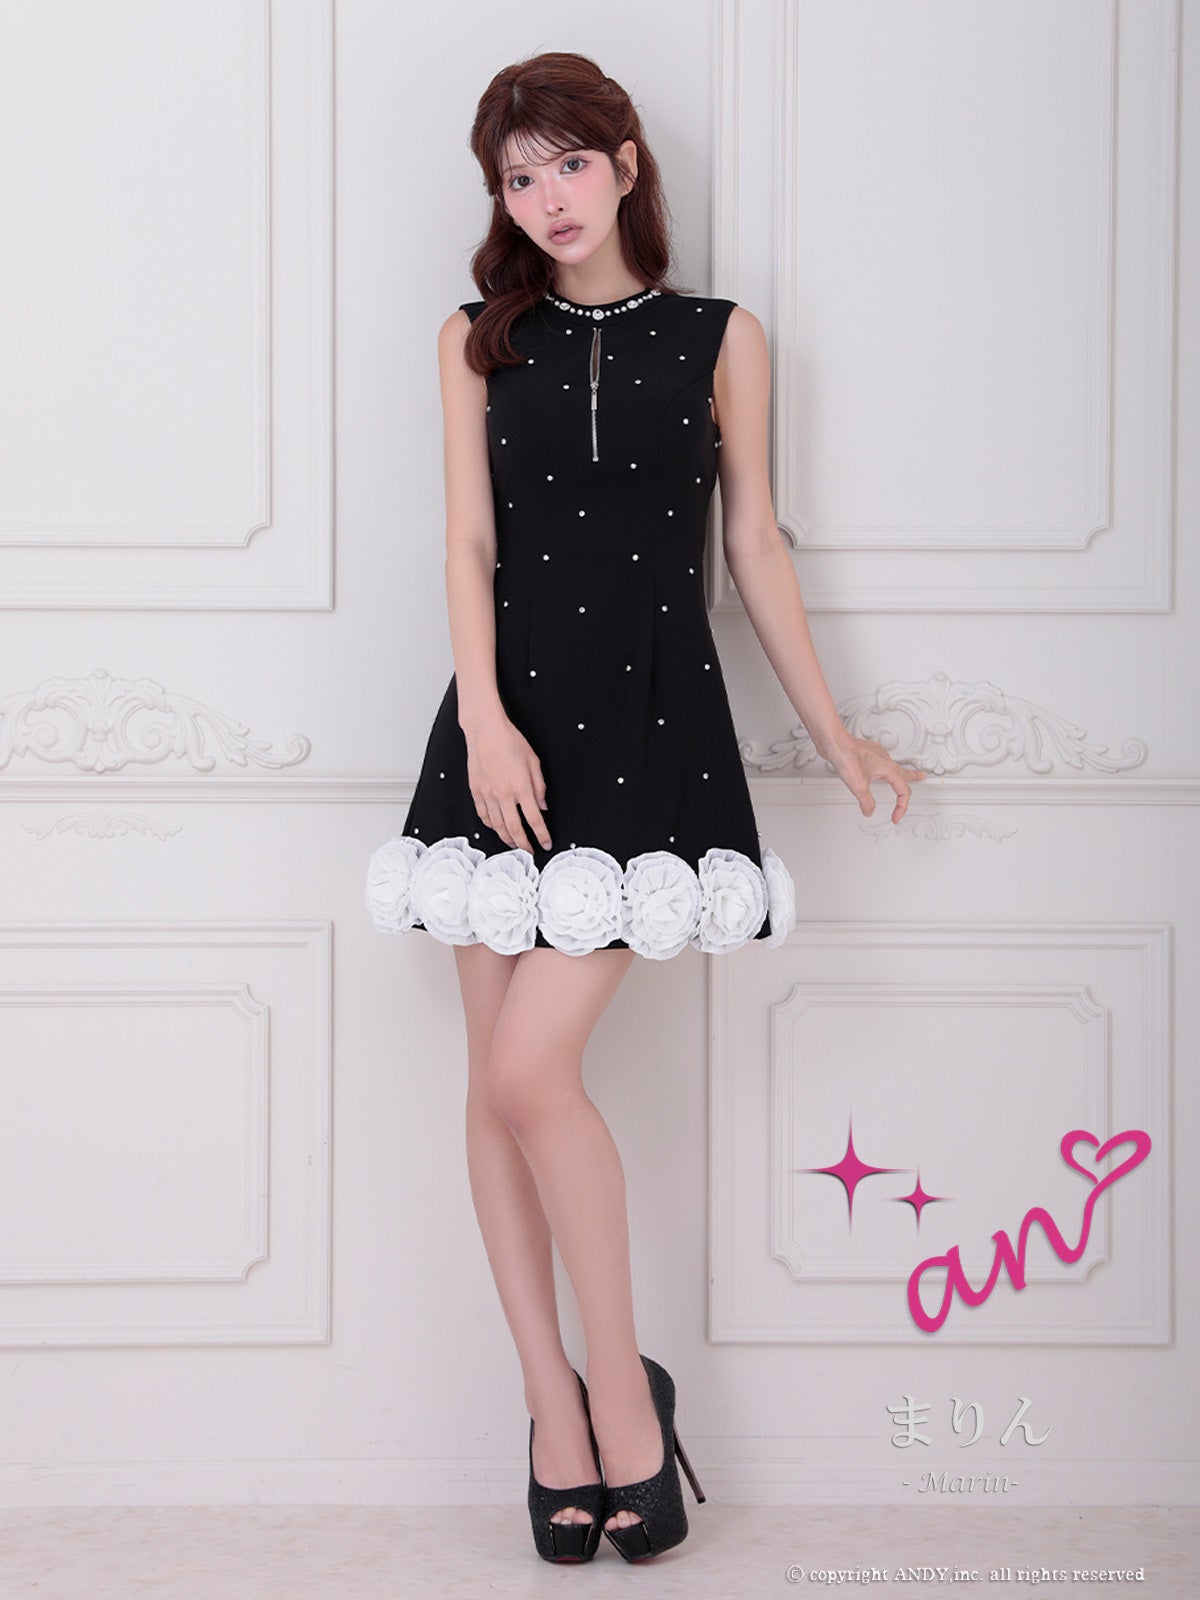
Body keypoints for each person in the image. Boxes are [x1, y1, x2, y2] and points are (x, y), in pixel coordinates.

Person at [366, 51, 925, 1564]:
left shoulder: (723, 337)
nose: (546, 198)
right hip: (505, 736)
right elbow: (465, 544)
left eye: (567, 163)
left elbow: (757, 549)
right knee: (491, 1083)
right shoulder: (475, 342)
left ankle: (628, 1399)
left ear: (624, 163)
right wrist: (486, 719)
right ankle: (555, 1411)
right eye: (517, 177)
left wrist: (838, 735)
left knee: (529, 1073)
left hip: (650, 727)